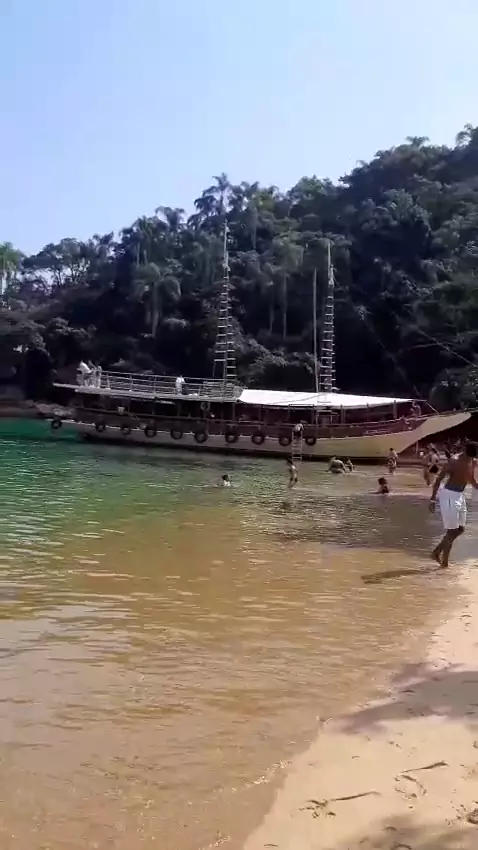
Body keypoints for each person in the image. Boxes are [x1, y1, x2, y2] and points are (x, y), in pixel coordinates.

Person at [429, 442, 478, 568]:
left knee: (460, 529)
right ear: (464, 450)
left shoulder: (473, 461)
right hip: (449, 495)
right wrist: (432, 500)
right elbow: (439, 479)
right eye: (469, 456)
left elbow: (470, 478)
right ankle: (444, 563)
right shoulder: (453, 461)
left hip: (460, 495)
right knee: (452, 531)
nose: (470, 459)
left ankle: (436, 552)